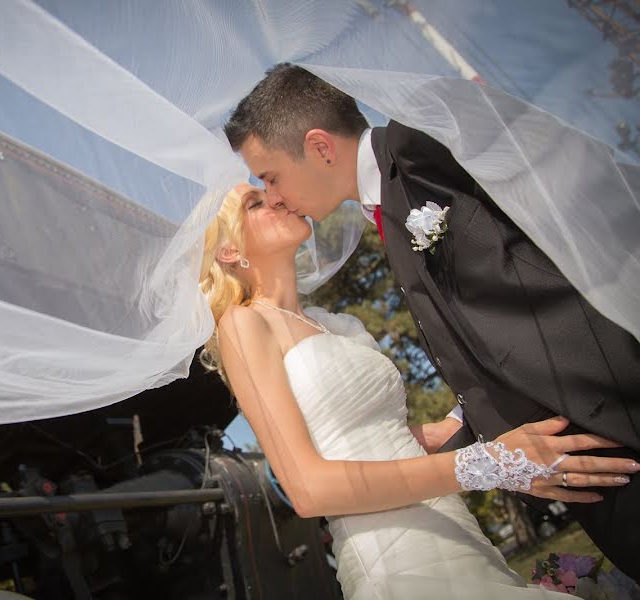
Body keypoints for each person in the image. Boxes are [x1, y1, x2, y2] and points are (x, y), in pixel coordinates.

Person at [222, 63, 640, 579]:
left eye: (271, 178)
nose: (277, 196)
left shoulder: (425, 142)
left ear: (321, 148)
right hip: (569, 460)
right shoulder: (386, 224)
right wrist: (472, 435)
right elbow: (484, 336)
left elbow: (583, 203)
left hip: (616, 405)